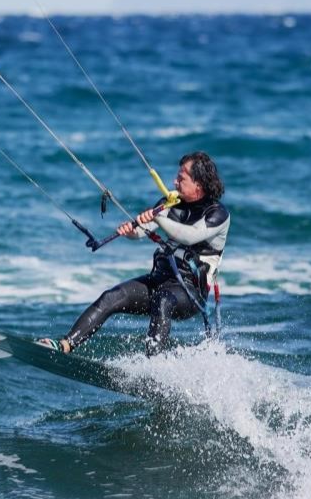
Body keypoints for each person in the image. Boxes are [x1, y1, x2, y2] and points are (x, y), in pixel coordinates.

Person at [40, 151, 230, 356]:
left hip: (190, 292)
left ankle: (154, 367)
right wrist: (130, 230)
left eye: (181, 178)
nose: (175, 182)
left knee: (163, 299)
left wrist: (158, 219)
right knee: (112, 296)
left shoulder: (217, 214)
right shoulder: (170, 203)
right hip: (160, 280)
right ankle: (65, 345)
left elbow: (190, 236)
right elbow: (140, 231)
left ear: (198, 184)